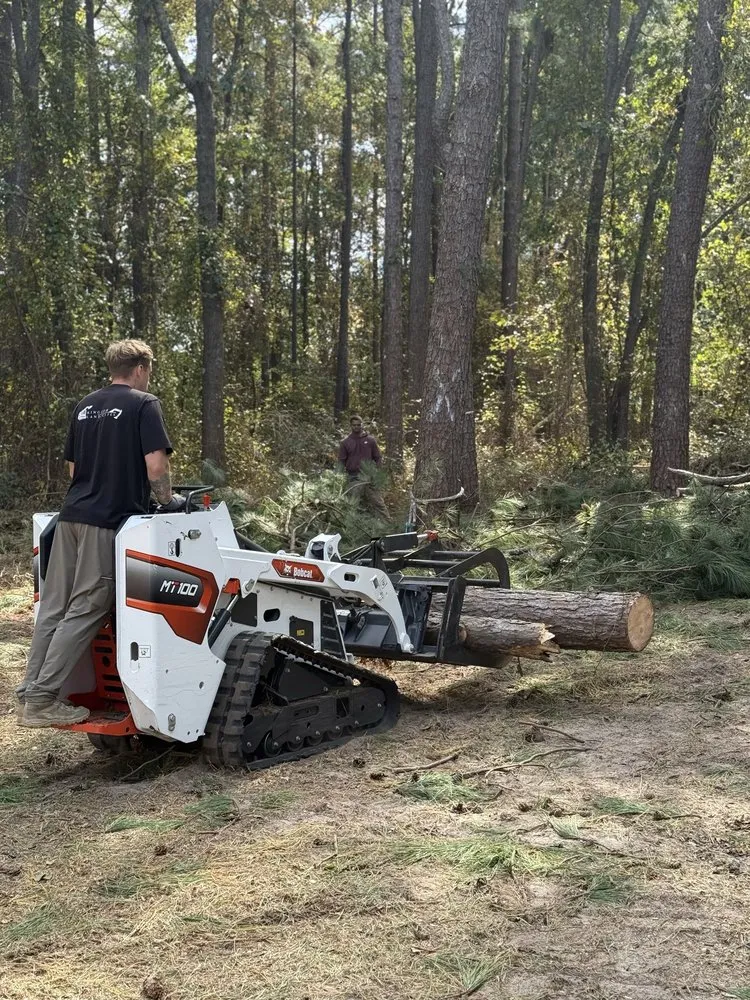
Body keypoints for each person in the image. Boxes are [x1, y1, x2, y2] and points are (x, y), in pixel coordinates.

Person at [17, 339, 182, 728]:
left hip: (70, 517)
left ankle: (28, 690)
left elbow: (74, 471)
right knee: (87, 605)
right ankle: (42, 700)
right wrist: (168, 501)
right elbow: (156, 467)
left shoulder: (84, 406)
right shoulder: (144, 404)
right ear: (141, 368)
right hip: (107, 520)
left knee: (53, 608)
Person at [337, 415, 389, 520]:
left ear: (362, 425)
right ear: (351, 426)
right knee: (353, 505)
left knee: (378, 503)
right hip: (353, 477)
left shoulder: (370, 440)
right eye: (354, 425)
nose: (356, 427)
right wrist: (338, 478)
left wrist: (377, 473)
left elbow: (378, 457)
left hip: (369, 476)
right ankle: (353, 527)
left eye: (358, 425)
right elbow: (341, 461)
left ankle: (389, 525)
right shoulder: (345, 442)